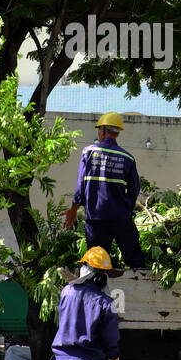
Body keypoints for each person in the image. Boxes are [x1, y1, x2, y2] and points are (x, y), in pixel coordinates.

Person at [63, 112, 146, 268]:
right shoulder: (127, 158)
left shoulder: (88, 152)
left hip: (96, 220)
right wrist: (126, 211)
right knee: (136, 262)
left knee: (96, 265)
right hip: (121, 218)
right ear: (117, 133)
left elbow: (81, 185)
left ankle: (96, 291)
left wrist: (73, 210)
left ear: (102, 131)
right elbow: (135, 189)